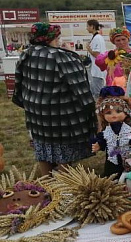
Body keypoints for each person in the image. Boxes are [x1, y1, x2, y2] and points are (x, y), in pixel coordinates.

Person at [12, 23, 96, 176]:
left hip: (36, 116)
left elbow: (18, 88)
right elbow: (82, 92)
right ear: (49, 38)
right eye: (57, 37)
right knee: (64, 157)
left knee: (43, 153)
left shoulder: (26, 54)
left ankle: (47, 188)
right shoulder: (61, 57)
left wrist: (31, 105)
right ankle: (64, 192)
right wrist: (92, 115)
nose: (59, 40)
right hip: (62, 119)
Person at [85, 19, 107, 97]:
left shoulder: (97, 38)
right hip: (96, 70)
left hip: (98, 71)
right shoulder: (96, 37)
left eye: (87, 26)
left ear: (92, 27)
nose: (86, 28)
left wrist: (88, 49)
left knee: (98, 94)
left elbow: (97, 54)